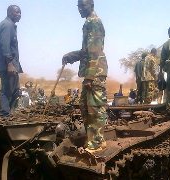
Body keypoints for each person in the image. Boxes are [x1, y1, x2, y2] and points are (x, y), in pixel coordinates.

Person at [62, 0, 108, 151]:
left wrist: (89, 76)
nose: (80, 9)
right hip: (91, 72)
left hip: (95, 72)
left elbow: (95, 51)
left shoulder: (93, 22)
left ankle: (96, 143)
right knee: (84, 106)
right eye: (79, 6)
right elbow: (87, 50)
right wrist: (72, 56)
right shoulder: (89, 22)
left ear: (91, 6)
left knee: (95, 108)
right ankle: (95, 139)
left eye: (83, 6)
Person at [0, 5, 23, 116]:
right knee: (9, 90)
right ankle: (5, 114)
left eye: (20, 13)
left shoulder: (3, 25)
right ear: (10, 13)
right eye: (17, 12)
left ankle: (8, 113)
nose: (20, 15)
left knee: (13, 89)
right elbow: (5, 46)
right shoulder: (8, 25)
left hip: (5, 63)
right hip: (8, 65)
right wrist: (10, 63)